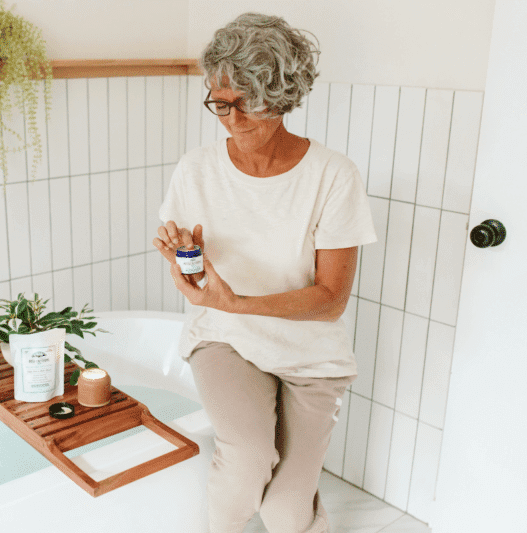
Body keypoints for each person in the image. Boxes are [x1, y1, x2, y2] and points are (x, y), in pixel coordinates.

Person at [153, 12, 378, 533]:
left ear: (281, 94)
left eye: (244, 102)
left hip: (311, 355)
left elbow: (331, 299)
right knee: (247, 462)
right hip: (226, 339)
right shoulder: (196, 169)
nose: (230, 118)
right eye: (219, 103)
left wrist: (240, 302)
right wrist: (183, 260)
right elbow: (193, 263)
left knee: (284, 509)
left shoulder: (333, 176)